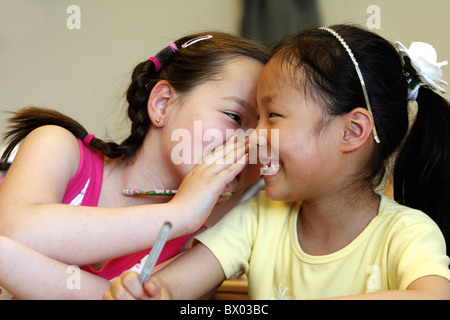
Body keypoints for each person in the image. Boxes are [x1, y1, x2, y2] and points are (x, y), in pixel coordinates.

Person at [105, 24, 450, 300]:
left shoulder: (407, 233)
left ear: (352, 131)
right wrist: (149, 293)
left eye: (273, 115)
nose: (253, 137)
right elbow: (174, 287)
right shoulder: (259, 216)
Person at [0, 31, 268, 299]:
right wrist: (178, 215)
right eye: (234, 116)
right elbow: (14, 231)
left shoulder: (202, 249)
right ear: (162, 104)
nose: (248, 145)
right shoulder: (58, 146)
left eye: (263, 134)